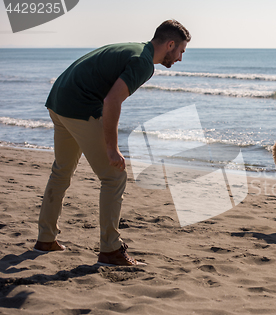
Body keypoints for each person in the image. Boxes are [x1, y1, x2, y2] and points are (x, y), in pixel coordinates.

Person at [33, 20, 191, 266]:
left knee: (61, 171)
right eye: (181, 50)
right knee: (114, 176)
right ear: (170, 44)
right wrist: (112, 148)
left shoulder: (135, 49)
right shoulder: (143, 63)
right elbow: (112, 101)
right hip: (78, 106)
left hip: (58, 100)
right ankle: (110, 249)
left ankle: (45, 239)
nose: (180, 57)